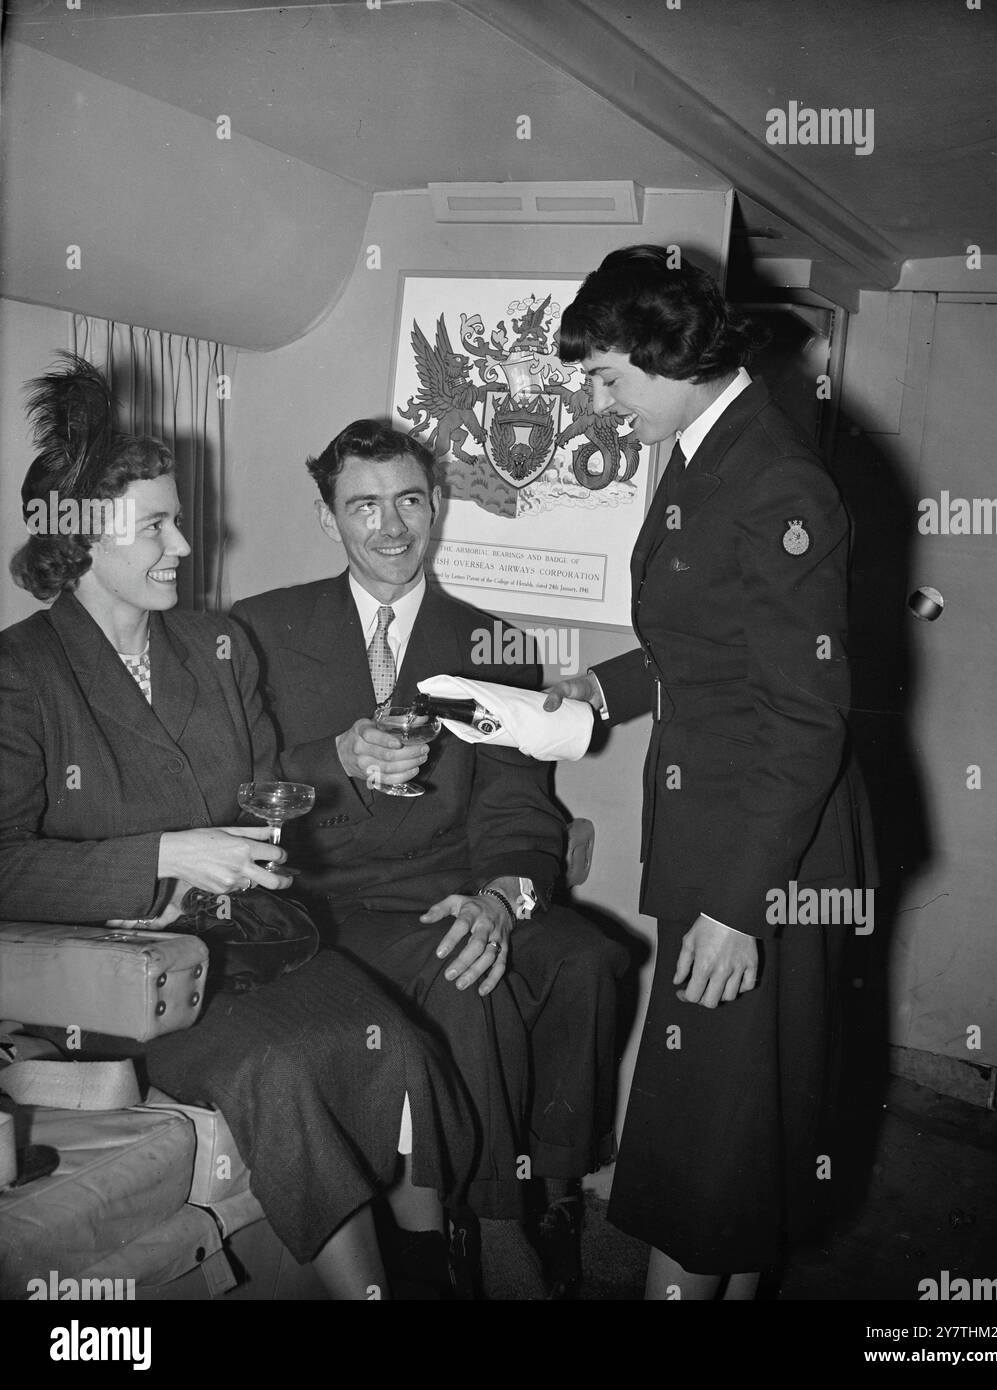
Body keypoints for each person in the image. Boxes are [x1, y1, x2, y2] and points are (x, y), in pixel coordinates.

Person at [0, 355, 476, 1300]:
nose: (188, 541)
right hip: (114, 974)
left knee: (405, 1047)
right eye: (159, 525)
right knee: (286, 1065)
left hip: (242, 938)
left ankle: (430, 1279)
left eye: (182, 517)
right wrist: (169, 855)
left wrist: (343, 759)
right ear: (84, 541)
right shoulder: (24, 674)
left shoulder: (210, 645)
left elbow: (265, 783)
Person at [545, 245, 877, 1300]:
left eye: (606, 376)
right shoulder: (705, 449)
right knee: (733, 1145)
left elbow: (804, 714)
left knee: (701, 1147)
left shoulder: (771, 475)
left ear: (665, 353)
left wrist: (737, 910)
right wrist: (599, 692)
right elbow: (710, 644)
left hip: (765, 854)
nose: (599, 403)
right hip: (733, 833)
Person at [230, 419, 629, 1295]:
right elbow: (233, 785)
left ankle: (554, 1190)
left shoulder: (498, 647)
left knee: (591, 961)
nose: (390, 526)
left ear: (438, 506)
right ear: (326, 517)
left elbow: (522, 813)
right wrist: (331, 758)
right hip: (326, 902)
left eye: (409, 500)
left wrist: (501, 898)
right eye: (361, 505)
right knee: (466, 976)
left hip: (458, 888)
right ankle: (481, 1229)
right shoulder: (257, 631)